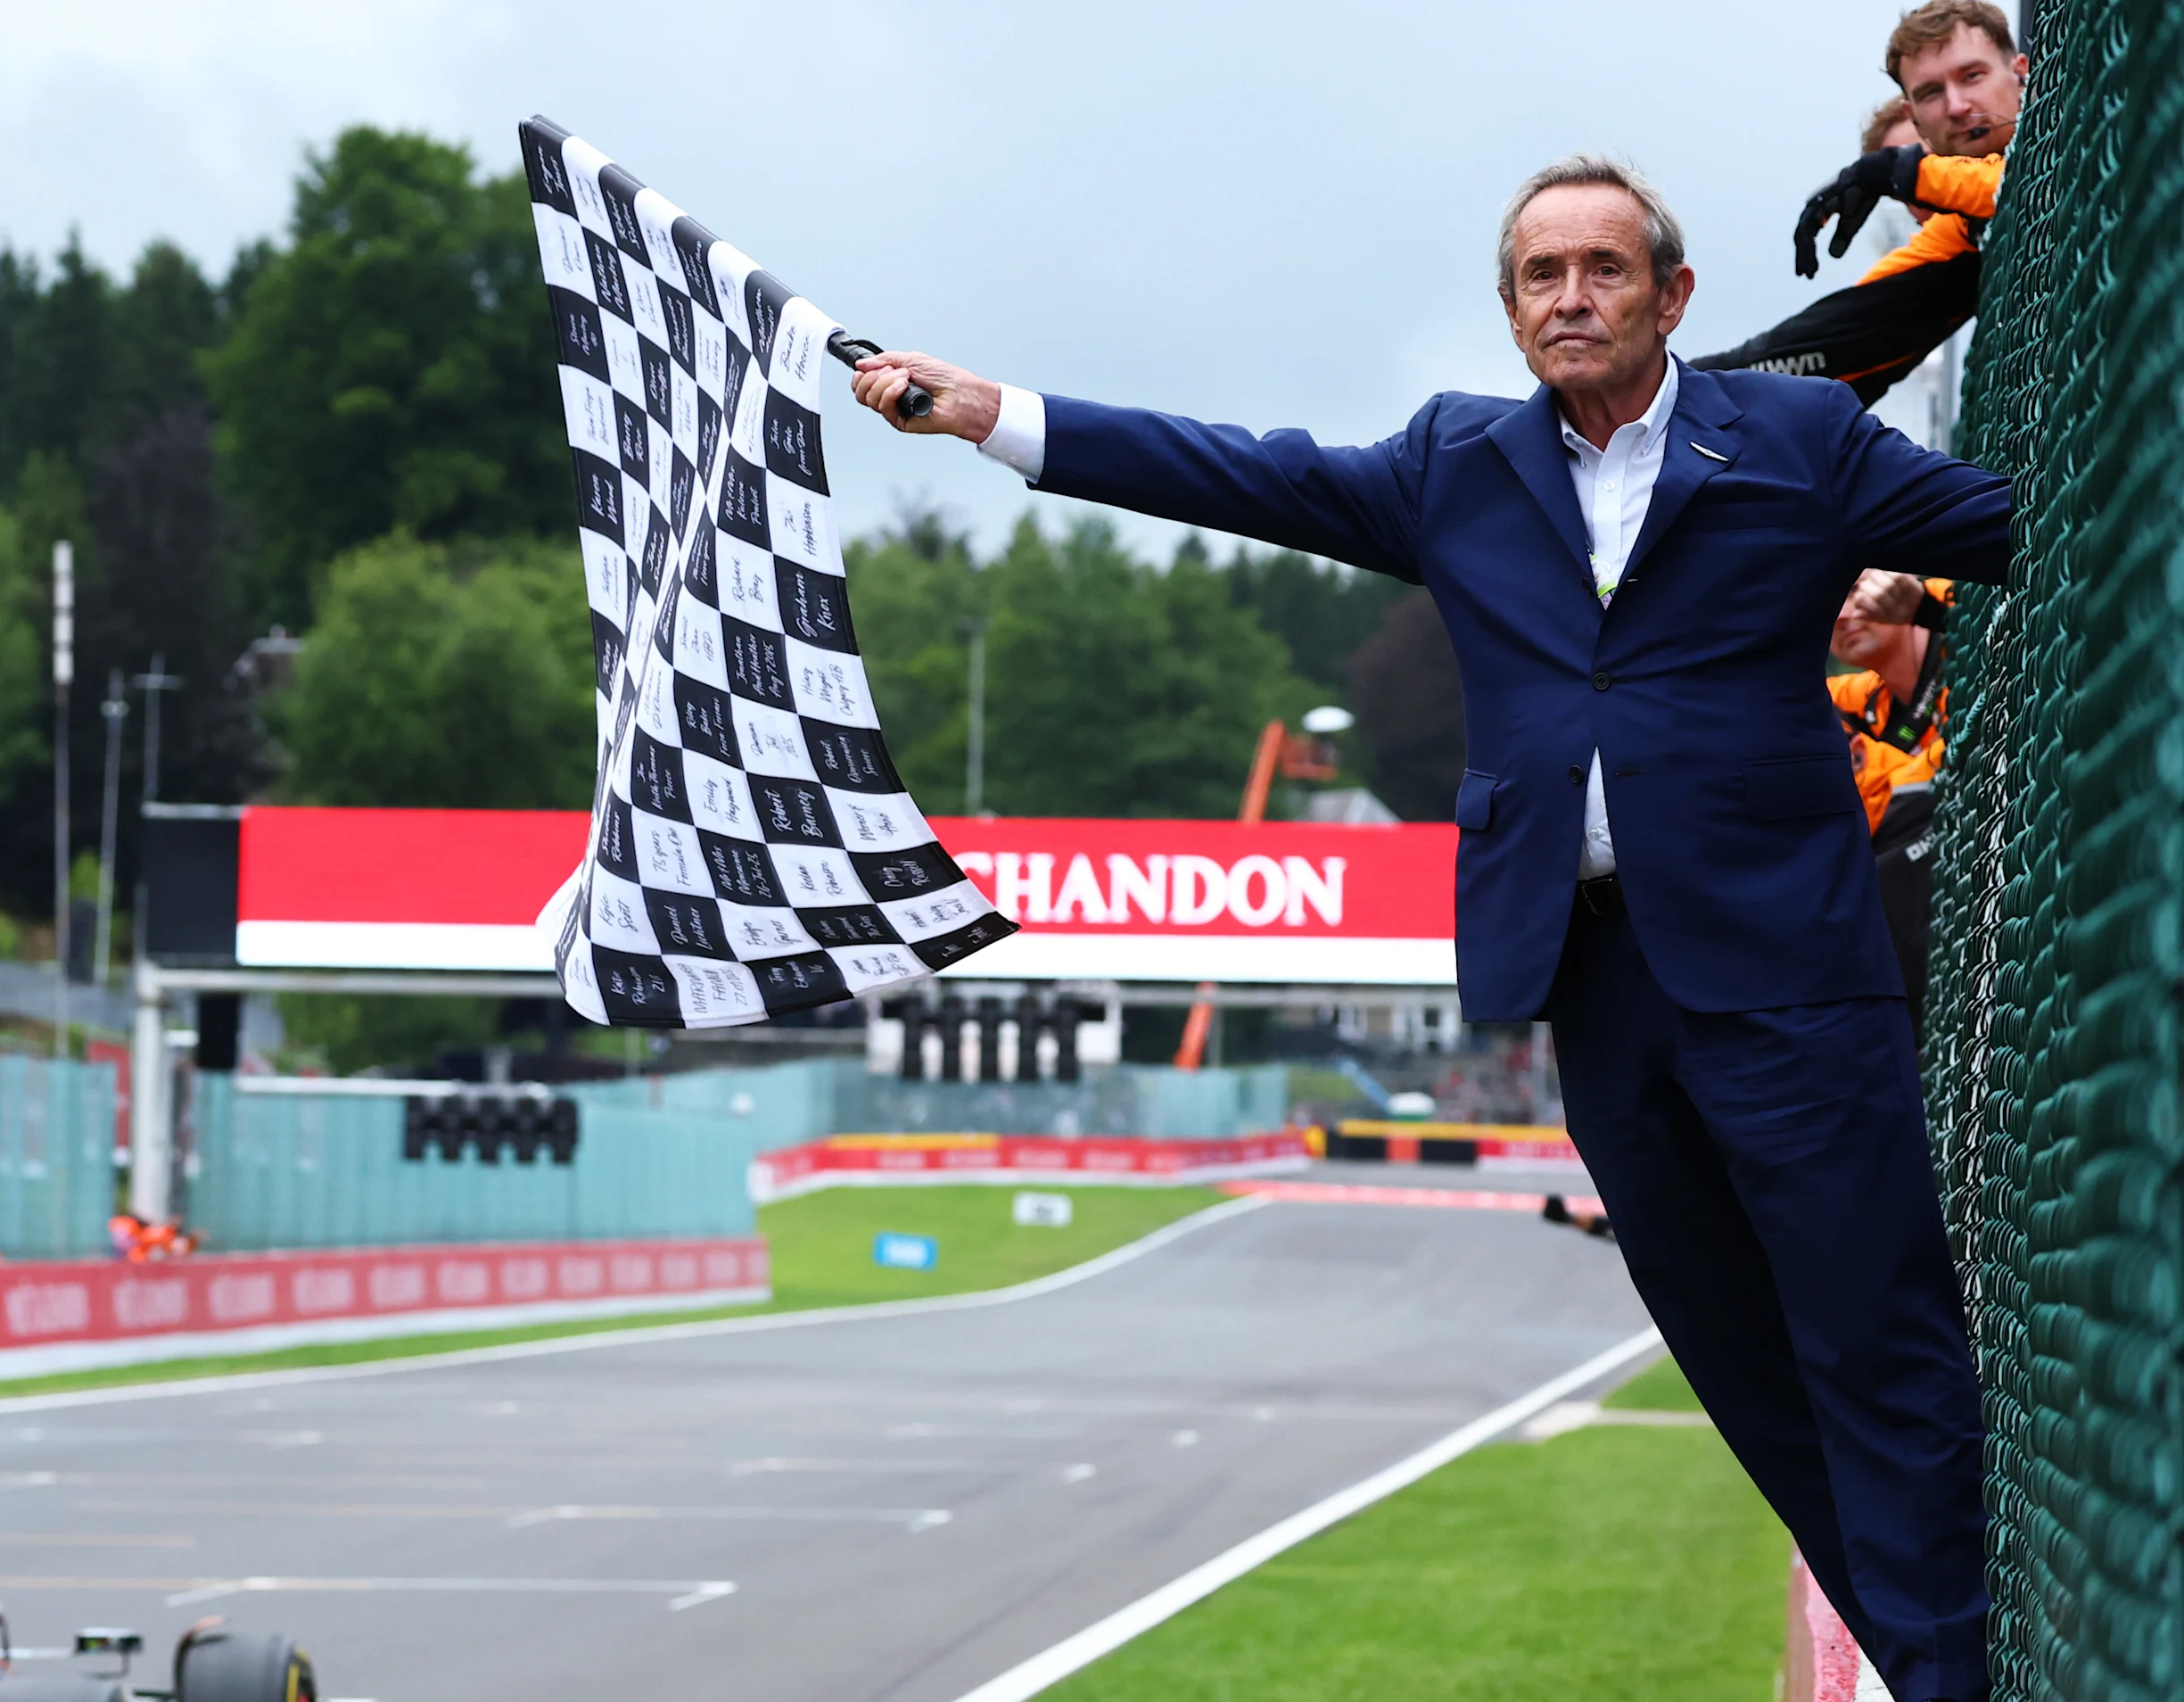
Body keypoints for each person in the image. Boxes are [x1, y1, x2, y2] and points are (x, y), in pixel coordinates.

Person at [846, 156, 2006, 1702]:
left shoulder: (1796, 439)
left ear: (1672, 296)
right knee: (1737, 1363)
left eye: (1604, 269)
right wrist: (996, 412)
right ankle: (1932, 1656)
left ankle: (1948, 1673)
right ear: (1512, 308)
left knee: (1876, 1336)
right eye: (1541, 275)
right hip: (1592, 979)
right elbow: (1236, 473)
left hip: (1792, 973)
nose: (1571, 297)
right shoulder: (1457, 462)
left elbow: (2017, 527)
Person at [1697, 0, 2025, 400]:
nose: (1957, 107)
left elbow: (2014, 185)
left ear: (2021, 73)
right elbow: (1840, 333)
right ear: (1917, 115)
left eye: (1972, 76)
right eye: (1931, 93)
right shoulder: (1961, 230)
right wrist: (1680, 385)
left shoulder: (2068, 119)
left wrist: (1899, 172)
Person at [1832, 569, 1956, 1037]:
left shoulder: (1951, 605)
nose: (1841, 616)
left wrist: (1923, 604)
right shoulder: (1862, 698)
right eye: (1825, 604)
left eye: (1851, 589)